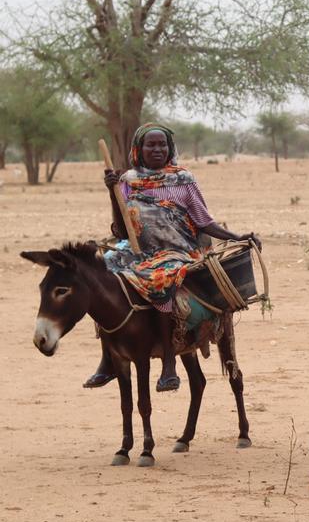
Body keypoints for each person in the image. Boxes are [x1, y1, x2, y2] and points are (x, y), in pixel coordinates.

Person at [92, 122, 258, 392]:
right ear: (139, 149)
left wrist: (237, 237)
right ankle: (107, 358)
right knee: (102, 271)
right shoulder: (127, 182)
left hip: (177, 250)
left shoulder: (184, 180)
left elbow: (205, 223)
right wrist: (113, 194)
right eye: (151, 144)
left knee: (160, 278)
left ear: (170, 148)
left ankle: (169, 362)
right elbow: (122, 230)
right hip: (137, 249)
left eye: (162, 144)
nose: (157, 149)